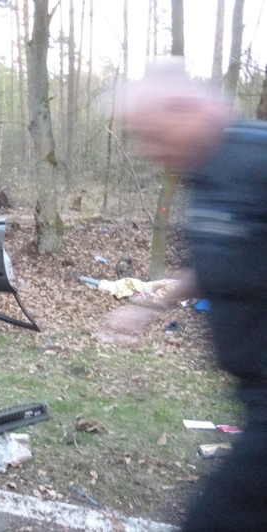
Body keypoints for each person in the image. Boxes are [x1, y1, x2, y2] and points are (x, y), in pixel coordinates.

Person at [113, 59, 267, 531]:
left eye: (152, 134)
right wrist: (146, 306)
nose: (145, 150)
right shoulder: (204, 174)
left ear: (186, 109)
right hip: (252, 391)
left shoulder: (257, 160)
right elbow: (218, 258)